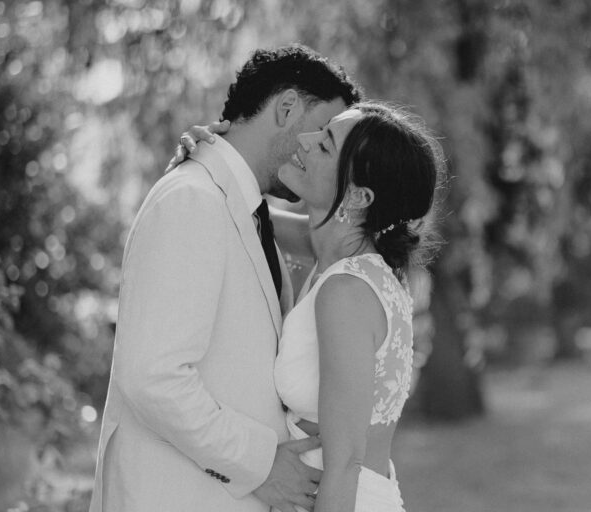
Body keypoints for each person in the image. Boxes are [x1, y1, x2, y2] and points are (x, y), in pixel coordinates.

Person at [89, 44, 362, 512]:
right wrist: (260, 464)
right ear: (287, 107)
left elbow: (340, 238)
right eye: (321, 132)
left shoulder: (245, 208)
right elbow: (153, 377)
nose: (322, 153)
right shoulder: (191, 200)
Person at [177, 102, 444, 512]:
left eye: (325, 145)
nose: (305, 140)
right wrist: (207, 160)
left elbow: (345, 466)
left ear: (358, 195)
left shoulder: (346, 291)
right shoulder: (341, 256)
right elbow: (239, 210)